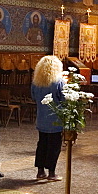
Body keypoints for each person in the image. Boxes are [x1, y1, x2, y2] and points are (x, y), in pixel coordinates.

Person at [31, 54, 65, 182]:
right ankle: (52, 172)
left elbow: (33, 97)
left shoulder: (36, 82)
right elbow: (64, 99)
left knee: (42, 144)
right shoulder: (58, 82)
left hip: (41, 118)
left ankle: (40, 171)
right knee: (54, 146)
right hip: (55, 120)